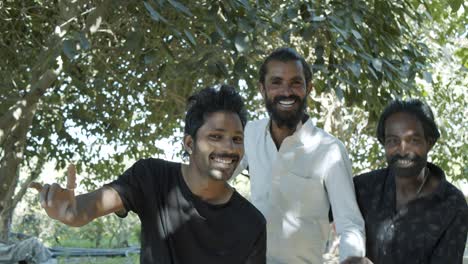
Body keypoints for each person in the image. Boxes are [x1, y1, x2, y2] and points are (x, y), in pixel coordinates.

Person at [30, 85, 267, 264]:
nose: (229, 148)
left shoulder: (252, 223)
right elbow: (87, 208)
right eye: (215, 136)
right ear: (189, 143)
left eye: (237, 139)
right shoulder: (152, 177)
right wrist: (69, 212)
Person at [234, 47, 365, 263]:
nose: (286, 92)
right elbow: (215, 180)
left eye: (296, 82)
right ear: (262, 89)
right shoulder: (248, 134)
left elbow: (349, 222)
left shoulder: (329, 150)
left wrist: (352, 258)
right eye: (276, 82)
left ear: (308, 88)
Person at [353, 99, 468, 264]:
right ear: (384, 143)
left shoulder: (451, 204)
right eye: (393, 140)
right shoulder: (363, 188)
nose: (403, 149)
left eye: (413, 140)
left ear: (429, 143)